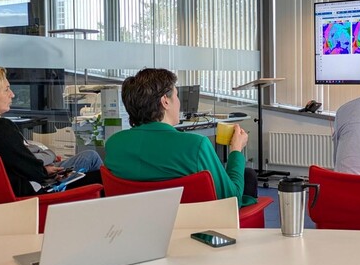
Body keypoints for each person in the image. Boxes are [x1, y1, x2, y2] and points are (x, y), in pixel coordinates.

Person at [104, 68, 258, 207]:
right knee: (248, 176)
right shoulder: (196, 145)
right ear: (165, 101)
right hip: (196, 230)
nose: (179, 102)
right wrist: (236, 150)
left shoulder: (114, 145)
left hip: (136, 228)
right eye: (176, 95)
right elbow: (231, 200)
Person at [0, 67, 103, 197]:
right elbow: (33, 170)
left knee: (89, 160)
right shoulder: (0, 128)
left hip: (4, 201)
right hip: (34, 200)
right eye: (6, 89)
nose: (12, 94)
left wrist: (43, 170)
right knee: (101, 176)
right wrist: (44, 171)